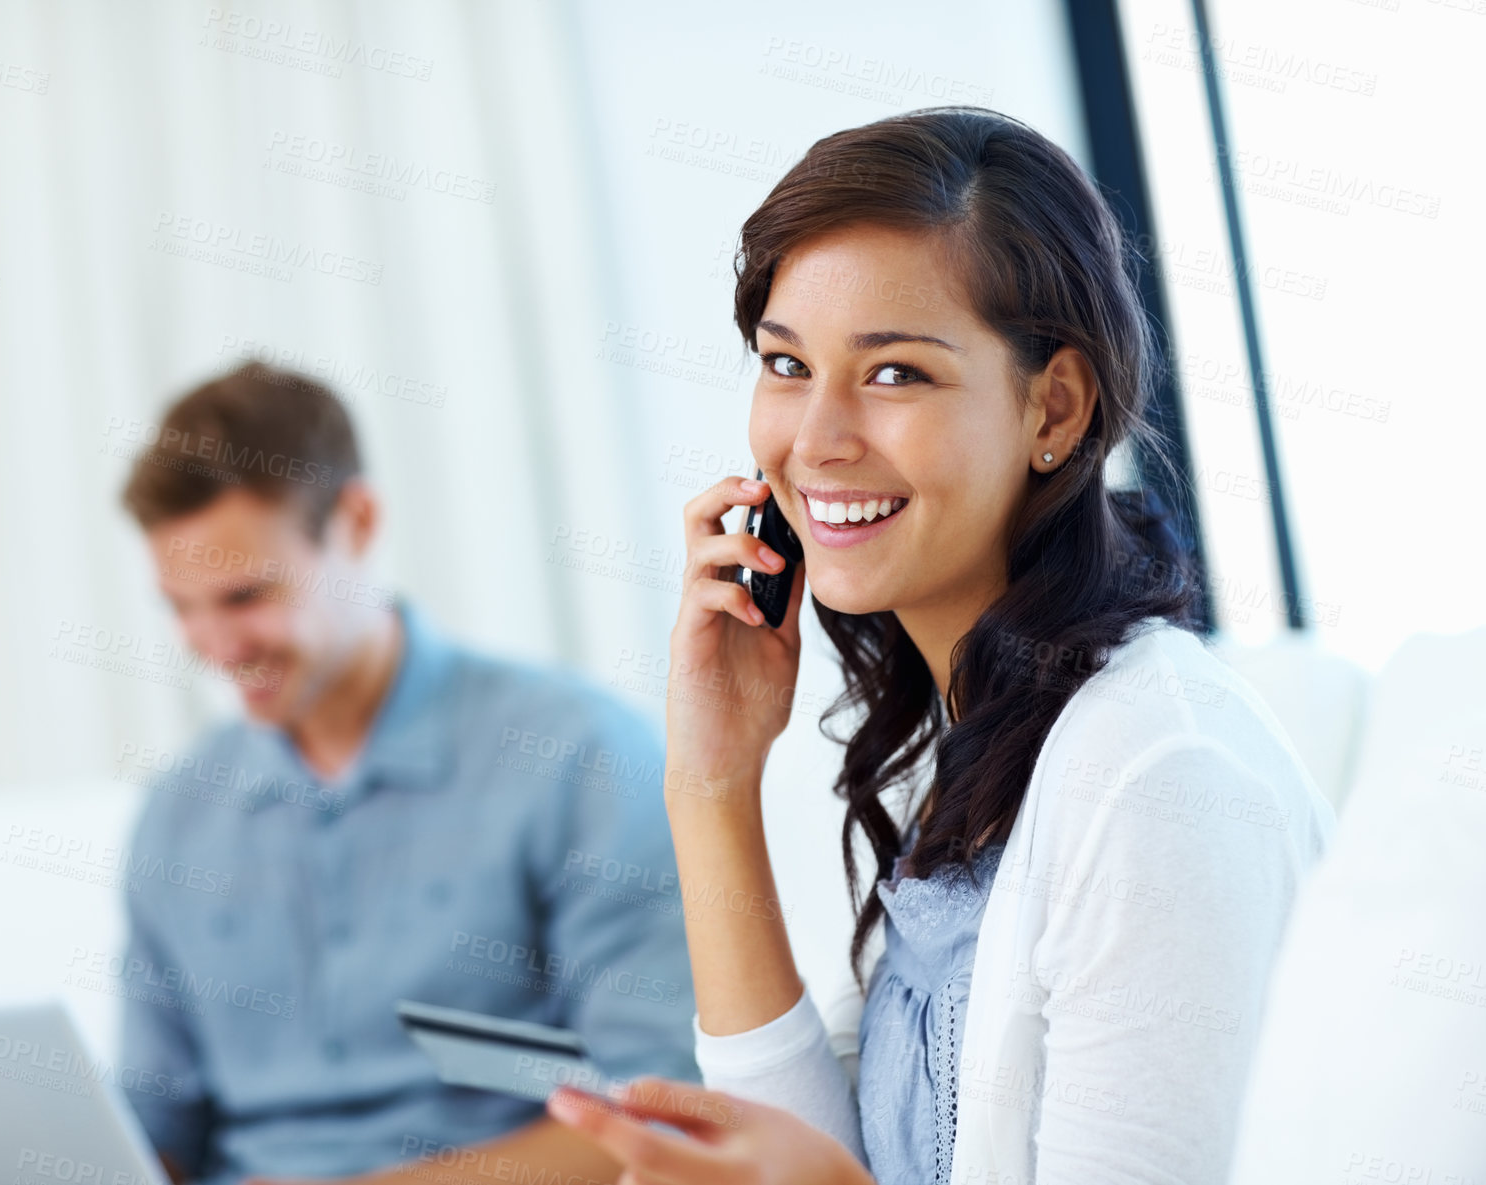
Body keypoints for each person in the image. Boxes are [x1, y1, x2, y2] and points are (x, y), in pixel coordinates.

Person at [544, 107, 1335, 1183]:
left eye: (892, 375)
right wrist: (710, 785)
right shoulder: (980, 736)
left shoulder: (1154, 779)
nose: (813, 441)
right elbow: (808, 1154)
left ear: (1052, 406)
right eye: (784, 366)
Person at [115, 362, 696, 1185]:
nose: (214, 645)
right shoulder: (177, 813)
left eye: (245, 595)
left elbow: (655, 1111)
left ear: (356, 521)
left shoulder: (579, 756)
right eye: (181, 605)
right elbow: (150, 1134)